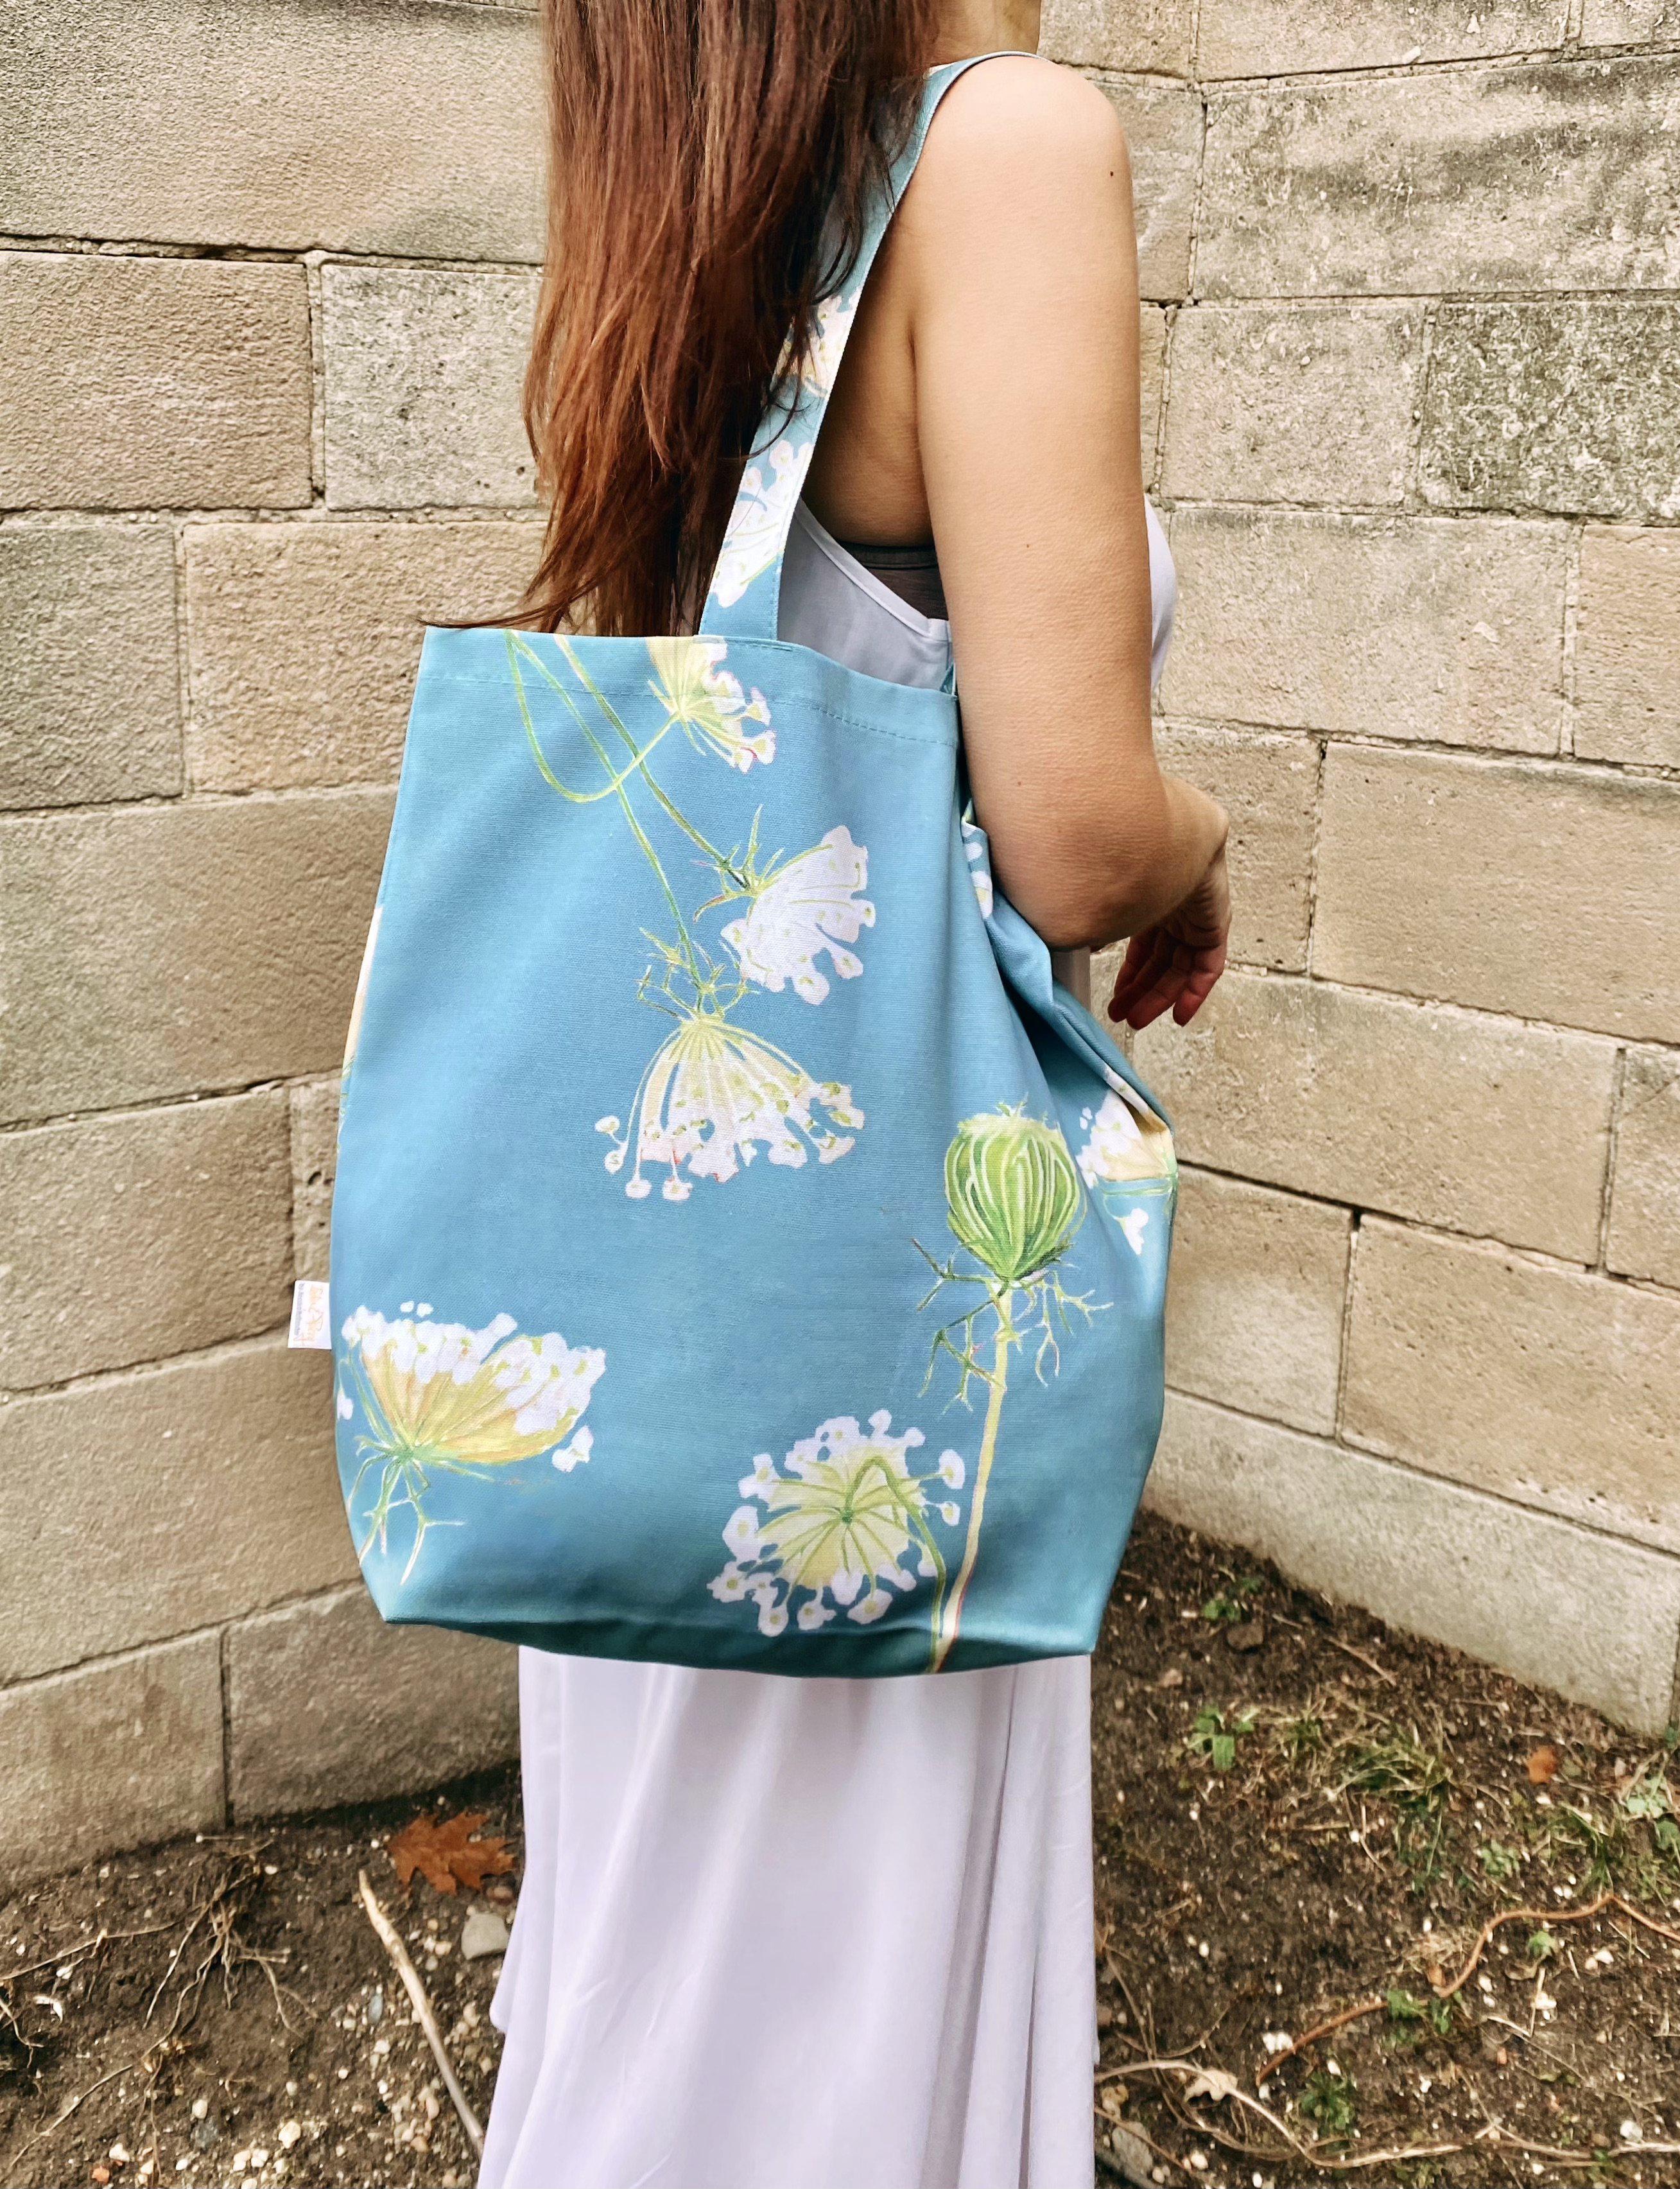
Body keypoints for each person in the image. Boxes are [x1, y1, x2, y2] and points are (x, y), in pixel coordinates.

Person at [477, 2, 1232, 2183]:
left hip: (692, 1310)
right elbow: (1075, 829)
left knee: (674, 1970)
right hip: (879, 1322)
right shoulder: (1003, 150)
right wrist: (1208, 846)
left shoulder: (732, 190)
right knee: (832, 2013)